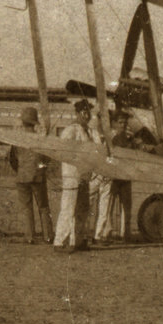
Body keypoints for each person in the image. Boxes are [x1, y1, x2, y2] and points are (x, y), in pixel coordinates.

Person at [53, 99, 98, 252]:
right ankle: (60, 241)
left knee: (83, 209)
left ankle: (77, 240)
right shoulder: (71, 130)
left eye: (88, 112)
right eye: (84, 112)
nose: (87, 116)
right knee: (68, 207)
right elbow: (62, 149)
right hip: (72, 174)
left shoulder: (89, 132)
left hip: (84, 176)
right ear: (78, 113)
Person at [8, 106, 54, 244]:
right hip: (37, 176)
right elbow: (47, 158)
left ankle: (29, 237)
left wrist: (20, 169)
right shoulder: (40, 140)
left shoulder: (18, 140)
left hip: (22, 176)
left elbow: (12, 159)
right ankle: (48, 236)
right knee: (43, 207)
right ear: (34, 123)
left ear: (23, 123)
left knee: (26, 208)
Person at [94, 110, 133, 244]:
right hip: (112, 177)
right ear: (114, 123)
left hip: (125, 176)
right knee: (107, 206)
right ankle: (105, 232)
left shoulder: (128, 139)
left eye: (125, 122)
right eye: (120, 122)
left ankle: (125, 233)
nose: (123, 125)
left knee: (126, 206)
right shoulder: (109, 138)